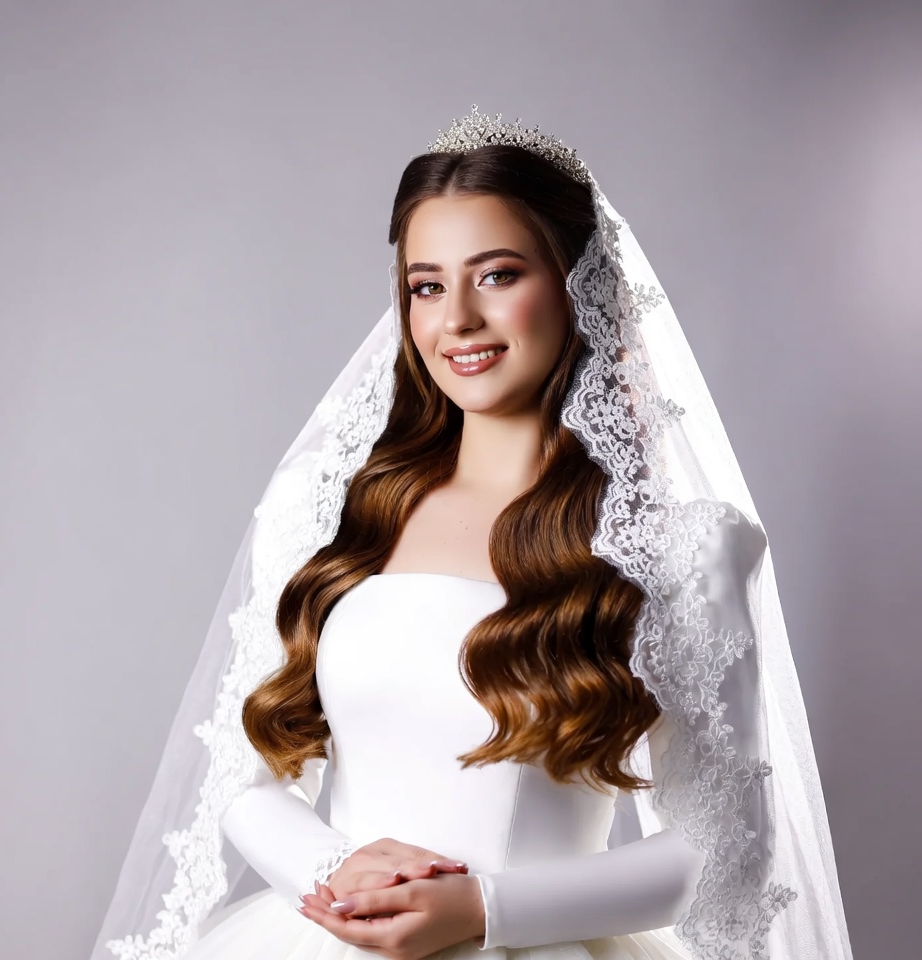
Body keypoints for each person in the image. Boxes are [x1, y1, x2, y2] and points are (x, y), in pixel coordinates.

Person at [92, 108, 853, 960]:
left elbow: (722, 850)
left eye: (495, 275)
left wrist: (485, 909)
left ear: (578, 289)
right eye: (426, 285)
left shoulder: (680, 547)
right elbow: (243, 772)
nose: (455, 318)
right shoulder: (329, 509)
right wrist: (333, 868)